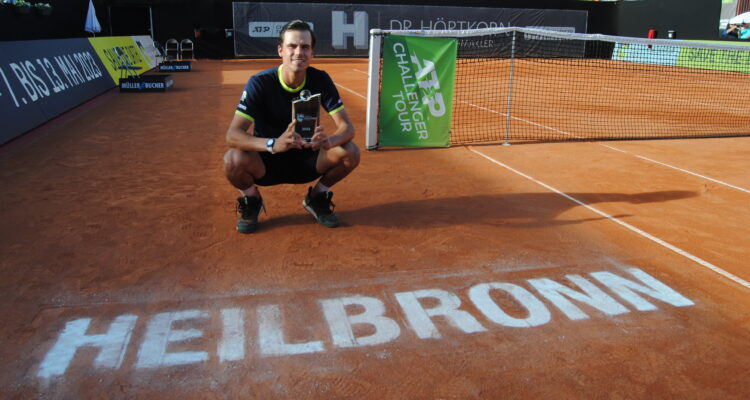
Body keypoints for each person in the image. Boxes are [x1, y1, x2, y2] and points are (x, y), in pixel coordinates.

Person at [223, 20, 360, 233]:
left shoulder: (320, 79)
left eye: (305, 47)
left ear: (312, 52)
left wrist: (328, 141)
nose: (299, 52)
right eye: (292, 46)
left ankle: (316, 197)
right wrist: (273, 144)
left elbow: (347, 128)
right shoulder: (260, 82)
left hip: (309, 159)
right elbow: (233, 135)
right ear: (280, 51)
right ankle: (252, 201)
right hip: (268, 163)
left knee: (350, 152)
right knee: (232, 159)